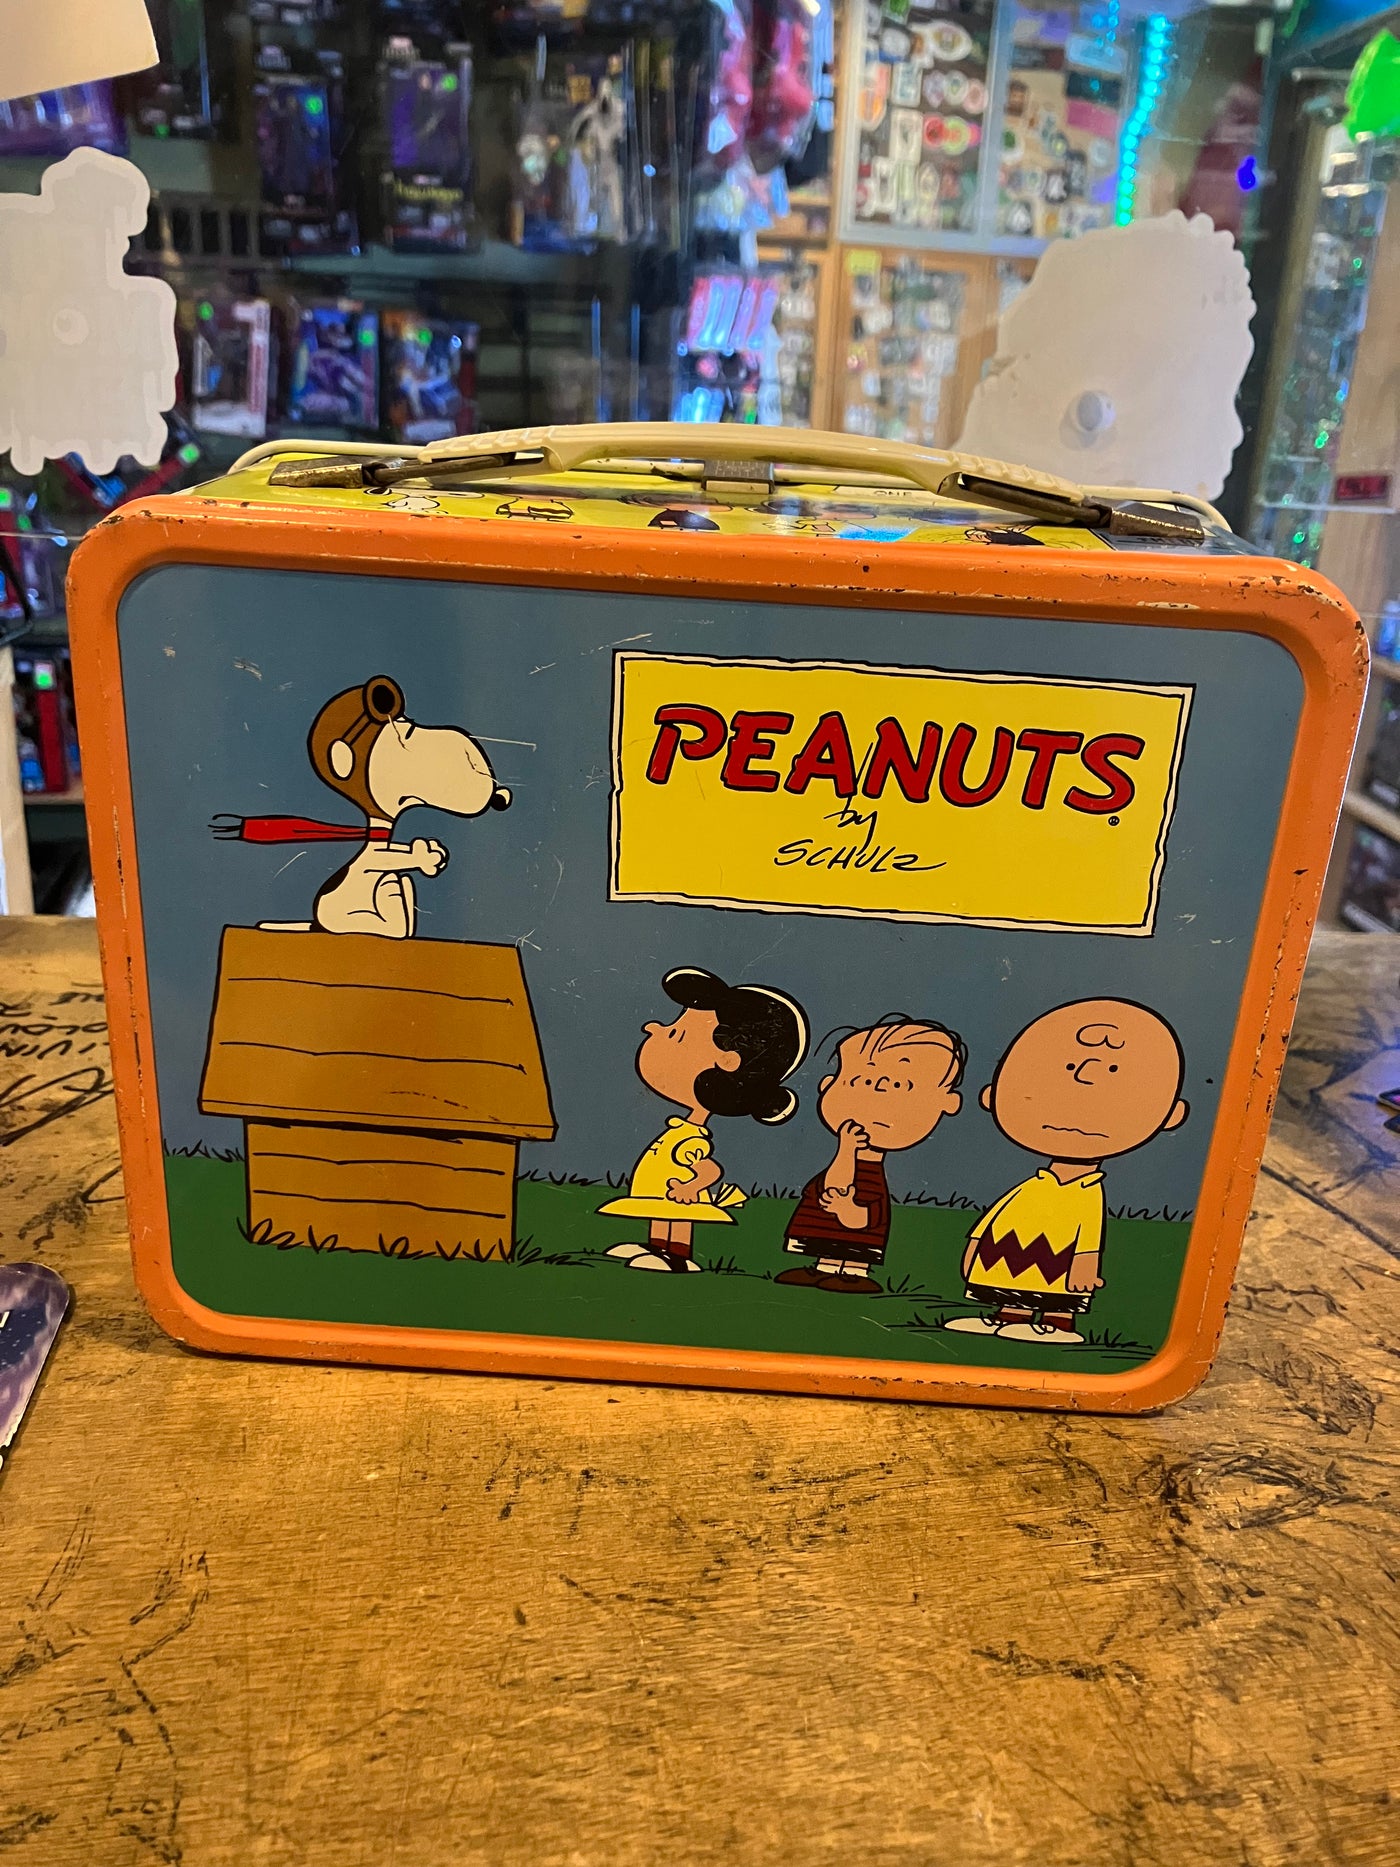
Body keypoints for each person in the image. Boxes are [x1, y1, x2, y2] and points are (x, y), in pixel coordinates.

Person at [944, 998, 1188, 1344]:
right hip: (1010, 1249)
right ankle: (1009, 1314)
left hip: (1059, 1260)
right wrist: (976, 1244)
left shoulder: (1086, 1194)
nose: (1086, 1076)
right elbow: (998, 1215)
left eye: (1112, 1071)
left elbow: (1088, 1232)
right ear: (992, 1095)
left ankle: (1058, 1323)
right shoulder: (1035, 1186)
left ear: (1171, 1115)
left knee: (1056, 1287)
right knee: (1013, 1274)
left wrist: (1085, 1264)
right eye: (1069, 1066)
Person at [601, 966, 809, 1273]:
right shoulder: (682, 1128)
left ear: (726, 1062)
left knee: (676, 1216)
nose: (653, 1028)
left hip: (680, 1194)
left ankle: (678, 1255)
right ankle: (657, 1246)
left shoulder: (692, 1137)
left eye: (676, 1034)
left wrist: (690, 1188)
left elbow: (709, 1169)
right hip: (665, 1191)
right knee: (662, 1213)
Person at [777, 1017, 966, 1294]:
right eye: (860, 1080)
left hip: (861, 1197)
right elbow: (834, 1186)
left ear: (947, 1103)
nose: (878, 1090)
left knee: (861, 1220)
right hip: (841, 1182)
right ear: (828, 1084)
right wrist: (846, 1149)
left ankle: (854, 1271)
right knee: (829, 1220)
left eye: (900, 1085)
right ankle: (826, 1266)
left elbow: (863, 1212)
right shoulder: (848, 1156)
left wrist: (850, 1207)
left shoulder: (872, 1180)